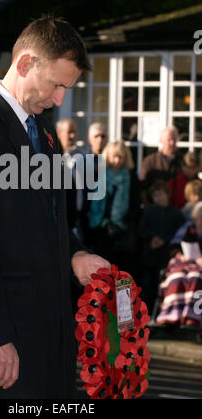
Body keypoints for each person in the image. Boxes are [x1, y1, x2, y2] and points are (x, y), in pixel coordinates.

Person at [0, 15, 110, 400]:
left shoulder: (46, 134)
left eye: (68, 88)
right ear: (25, 63)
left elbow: (49, 220)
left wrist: (76, 254)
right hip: (1, 348)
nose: (61, 99)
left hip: (49, 339)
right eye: (57, 85)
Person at [138, 180, 185, 315]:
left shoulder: (176, 214)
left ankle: (163, 315)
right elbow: (142, 229)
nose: (159, 198)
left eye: (161, 194)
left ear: (167, 194)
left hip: (167, 258)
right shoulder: (149, 212)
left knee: (166, 288)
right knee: (148, 288)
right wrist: (152, 239)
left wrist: (165, 240)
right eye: (155, 195)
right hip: (150, 257)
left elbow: (180, 233)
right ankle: (146, 316)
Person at [156, 202, 202, 329]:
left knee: (196, 277)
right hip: (183, 261)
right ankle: (171, 314)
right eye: (198, 218)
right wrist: (180, 255)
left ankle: (193, 317)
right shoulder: (188, 227)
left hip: (199, 266)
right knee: (177, 276)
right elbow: (174, 246)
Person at [88, 141, 132, 262]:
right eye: (115, 156)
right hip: (101, 225)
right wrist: (105, 222)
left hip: (122, 227)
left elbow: (134, 204)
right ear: (108, 156)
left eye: (121, 157)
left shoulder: (130, 176)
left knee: (121, 267)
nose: (118, 160)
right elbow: (94, 201)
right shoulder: (99, 174)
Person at [140, 126, 182, 204]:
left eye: (174, 139)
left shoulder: (182, 162)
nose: (172, 143)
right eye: (169, 140)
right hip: (154, 206)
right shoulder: (150, 161)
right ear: (161, 141)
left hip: (175, 207)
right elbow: (143, 187)